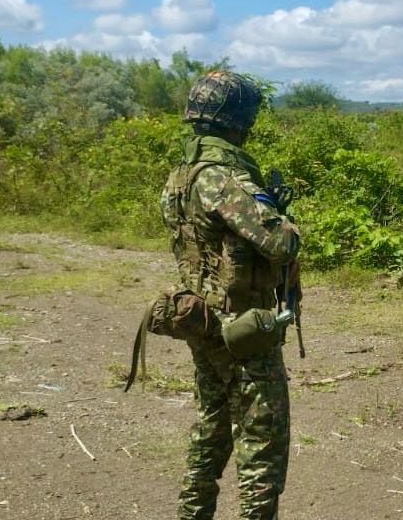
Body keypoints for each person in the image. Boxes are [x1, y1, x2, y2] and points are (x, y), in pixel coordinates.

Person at [160, 70, 300, 520]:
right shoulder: (223, 178)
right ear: (239, 120)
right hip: (242, 329)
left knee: (212, 427)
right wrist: (282, 217)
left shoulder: (180, 175)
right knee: (262, 442)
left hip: (202, 319)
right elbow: (281, 243)